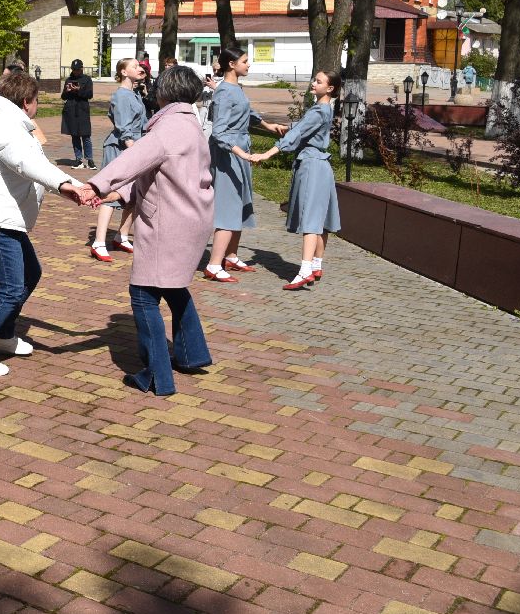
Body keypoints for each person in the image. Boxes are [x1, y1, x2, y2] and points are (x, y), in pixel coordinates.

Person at [84, 65, 216, 396]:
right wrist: (117, 193)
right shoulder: (190, 124)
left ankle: (157, 374)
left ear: (165, 93)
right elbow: (157, 174)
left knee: (143, 294)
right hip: (193, 217)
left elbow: (132, 161)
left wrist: (96, 186)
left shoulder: (168, 128)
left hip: (168, 222)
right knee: (173, 286)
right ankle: (190, 354)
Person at [0, 66, 87, 377]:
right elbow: (26, 163)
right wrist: (67, 186)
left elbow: (38, 164)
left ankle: (2, 335)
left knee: (30, 273)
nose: (38, 105)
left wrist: (72, 184)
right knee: (10, 288)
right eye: (37, 100)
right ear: (26, 100)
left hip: (5, 217)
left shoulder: (10, 121)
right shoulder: (4, 125)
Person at [252, 68, 341, 290]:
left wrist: (266, 153)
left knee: (311, 220)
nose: (313, 83)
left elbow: (297, 135)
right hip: (323, 166)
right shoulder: (326, 109)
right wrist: (290, 127)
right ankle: (316, 266)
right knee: (320, 219)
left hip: (311, 166)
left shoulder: (317, 111)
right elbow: (304, 128)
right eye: (315, 80)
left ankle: (304, 271)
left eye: (318, 81)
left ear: (329, 88)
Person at [204, 46, 287, 282]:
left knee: (240, 203)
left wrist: (268, 125)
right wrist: (242, 154)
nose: (248, 64)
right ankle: (213, 265)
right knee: (228, 208)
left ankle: (230, 255)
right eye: (244, 61)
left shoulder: (235, 89)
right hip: (227, 156)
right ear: (231, 64)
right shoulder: (223, 93)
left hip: (239, 152)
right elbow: (219, 133)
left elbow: (247, 113)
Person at [91, 57, 146, 262]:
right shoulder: (122, 95)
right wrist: (135, 151)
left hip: (134, 147)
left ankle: (121, 235)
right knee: (110, 192)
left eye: (139, 66)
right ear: (123, 72)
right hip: (121, 148)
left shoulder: (134, 93)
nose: (139, 68)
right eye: (134, 66)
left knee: (134, 193)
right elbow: (123, 128)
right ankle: (98, 242)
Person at [59, 59, 94, 168]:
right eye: (74, 69)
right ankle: (78, 159)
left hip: (82, 110)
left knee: (85, 135)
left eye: (77, 69)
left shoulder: (87, 79)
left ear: (81, 69)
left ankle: (90, 160)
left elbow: (89, 94)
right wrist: (67, 91)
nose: (75, 72)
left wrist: (79, 90)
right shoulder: (69, 79)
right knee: (75, 135)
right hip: (71, 110)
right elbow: (63, 97)